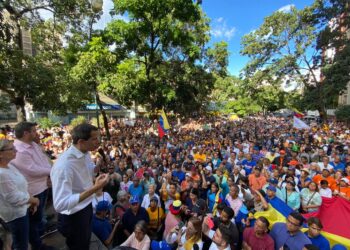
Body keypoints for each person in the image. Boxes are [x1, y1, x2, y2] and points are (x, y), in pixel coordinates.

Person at [51, 123, 110, 250]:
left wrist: (97, 167)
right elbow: (60, 204)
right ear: (82, 141)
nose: (98, 142)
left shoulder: (85, 153)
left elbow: (87, 172)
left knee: (85, 242)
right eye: (94, 139)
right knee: (77, 245)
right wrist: (95, 188)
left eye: (98, 138)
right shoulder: (64, 166)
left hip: (86, 208)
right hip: (74, 216)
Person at [11, 122, 53, 250]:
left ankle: (37, 238)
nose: (37, 133)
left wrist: (50, 173)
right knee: (33, 221)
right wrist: (52, 171)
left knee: (37, 218)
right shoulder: (19, 150)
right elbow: (32, 170)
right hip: (33, 190)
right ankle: (37, 245)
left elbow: (43, 160)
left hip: (42, 186)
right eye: (34, 131)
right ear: (25, 133)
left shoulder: (33, 144)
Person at [0, 139, 40, 250]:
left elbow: (20, 187)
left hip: (22, 210)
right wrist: (33, 200)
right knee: (20, 245)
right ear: (1, 154)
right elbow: (13, 197)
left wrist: (29, 203)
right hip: (15, 215)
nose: (16, 150)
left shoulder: (9, 166)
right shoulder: (2, 174)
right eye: (11, 149)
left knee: (22, 241)